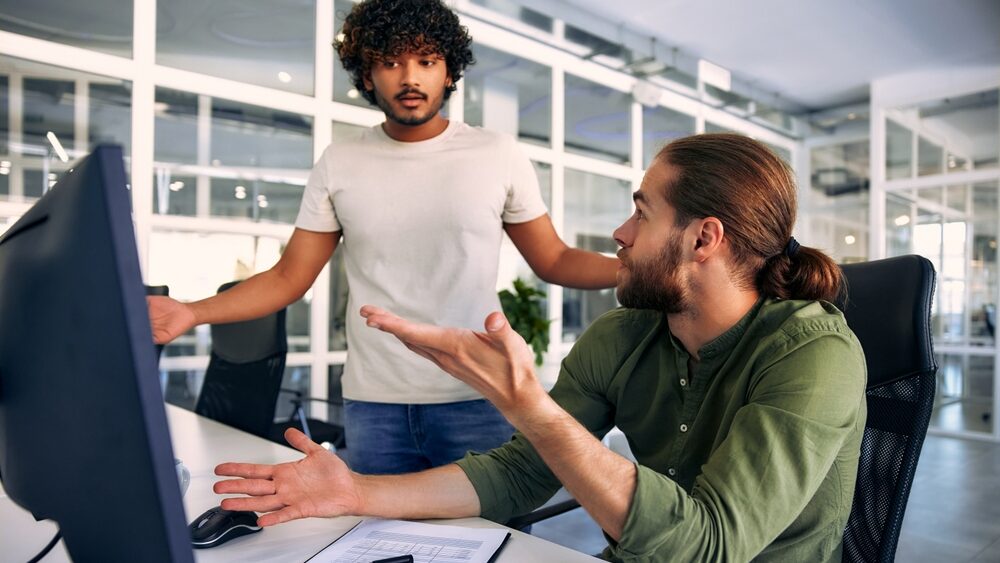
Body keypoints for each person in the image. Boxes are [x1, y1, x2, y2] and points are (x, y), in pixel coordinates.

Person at [212, 133, 868, 562]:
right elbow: (522, 473)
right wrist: (357, 490)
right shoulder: (626, 334)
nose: (620, 232)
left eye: (642, 212)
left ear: (704, 239)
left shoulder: (813, 354)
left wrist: (530, 404)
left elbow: (709, 544)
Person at [148, 0, 617, 475]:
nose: (409, 77)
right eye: (390, 62)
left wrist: (637, 269)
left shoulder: (496, 154)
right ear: (367, 76)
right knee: (377, 544)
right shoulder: (340, 161)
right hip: (375, 405)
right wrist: (191, 312)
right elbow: (289, 277)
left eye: (426, 61)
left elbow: (554, 259)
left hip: (477, 395)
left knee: (489, 541)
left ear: (450, 72)